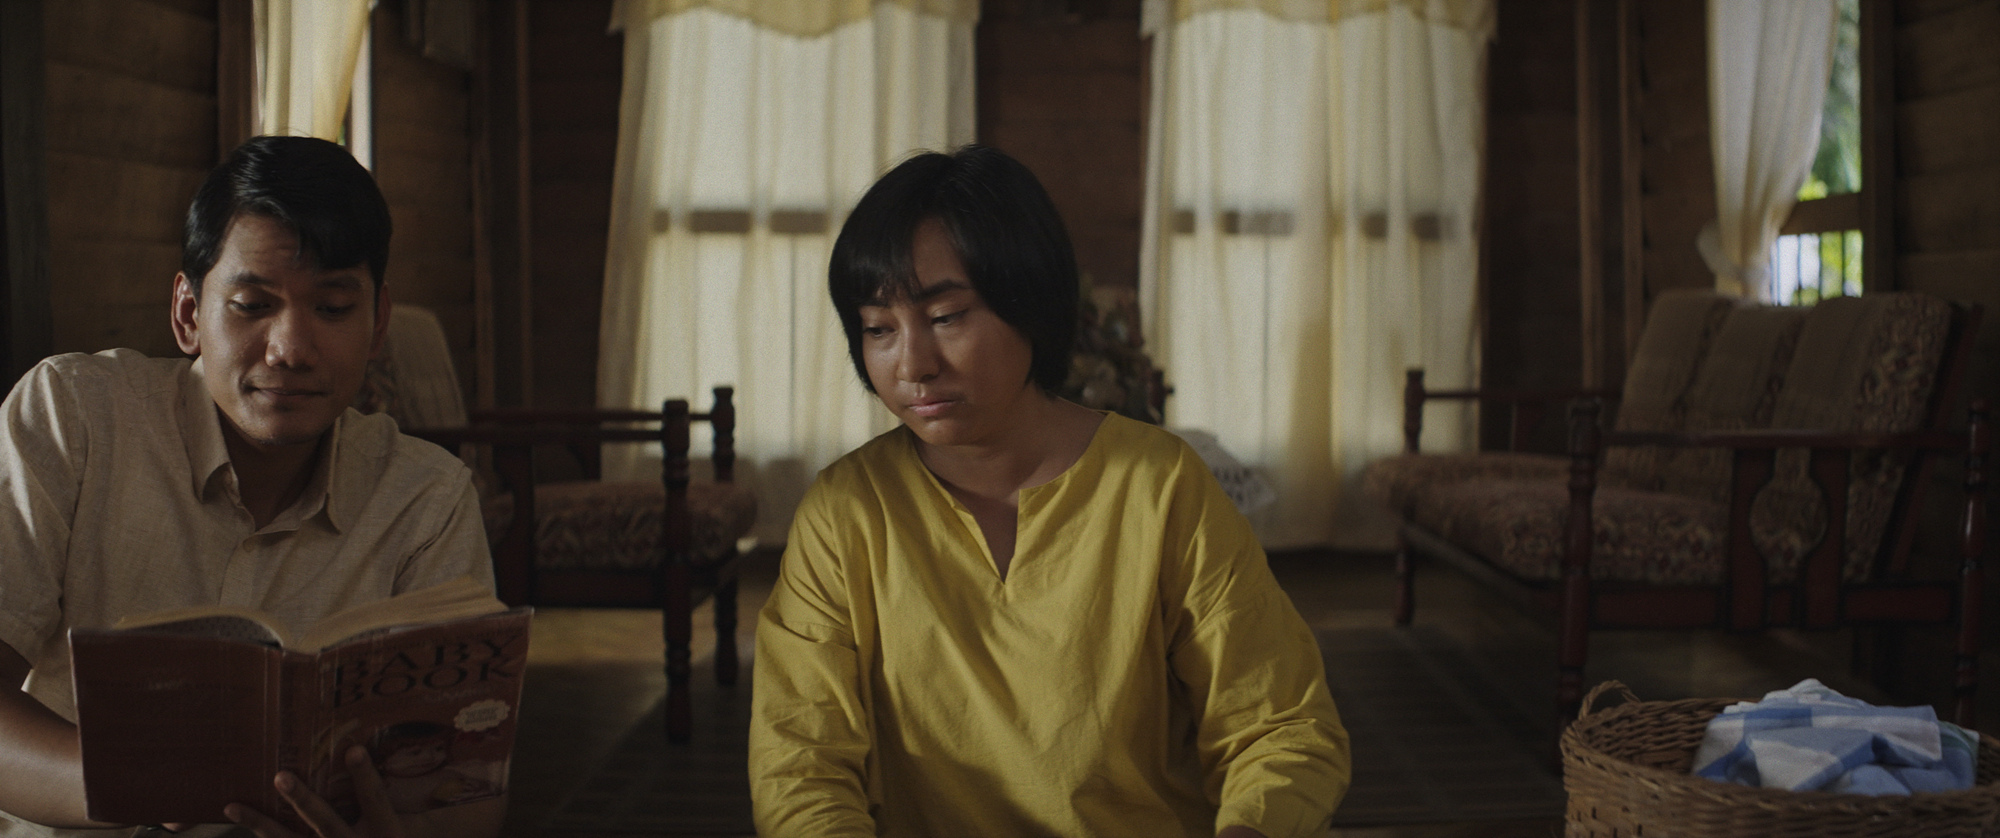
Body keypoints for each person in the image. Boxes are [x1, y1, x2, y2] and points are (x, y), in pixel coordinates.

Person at [749, 145, 1350, 837]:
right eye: (878, 329)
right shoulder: (846, 512)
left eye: (946, 317)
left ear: (1029, 300)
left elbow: (1281, 726)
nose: (912, 364)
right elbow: (800, 764)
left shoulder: (1159, 487)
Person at [0, 136, 502, 838]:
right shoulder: (73, 418)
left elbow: (467, 794)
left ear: (377, 324)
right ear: (188, 314)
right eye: (250, 304)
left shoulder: (425, 502)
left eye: (333, 308)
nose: (290, 348)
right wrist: (151, 786)